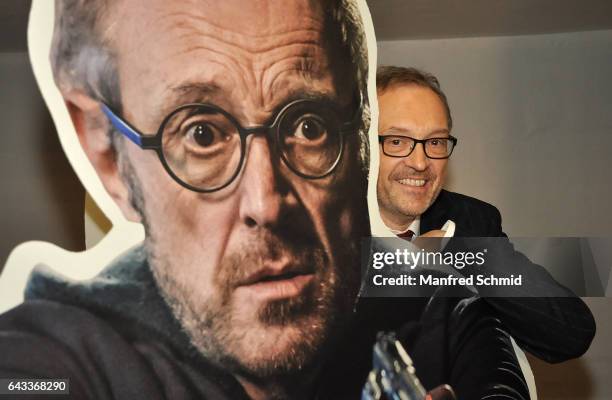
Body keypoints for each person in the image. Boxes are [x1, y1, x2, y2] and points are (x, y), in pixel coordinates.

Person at [0, 2, 530, 399]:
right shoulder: (57, 357)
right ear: (107, 155)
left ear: (359, 135)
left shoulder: (441, 305)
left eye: (308, 125)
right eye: (202, 134)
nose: (266, 202)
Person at [376, 65, 596, 363]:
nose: (420, 162)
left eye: (436, 142)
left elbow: (570, 333)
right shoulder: (310, 225)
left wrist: (457, 252)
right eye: (397, 141)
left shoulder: (471, 222)